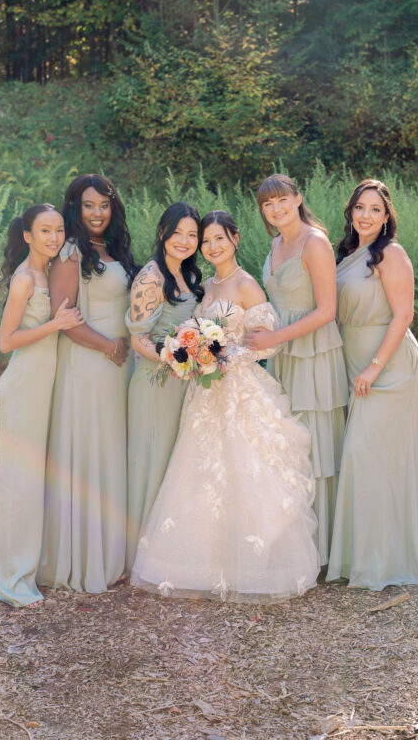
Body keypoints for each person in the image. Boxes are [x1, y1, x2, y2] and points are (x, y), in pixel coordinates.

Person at [131, 210, 318, 603]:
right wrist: (195, 355)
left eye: (219, 239)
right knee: (200, 473)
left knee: (245, 471)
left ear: (235, 238)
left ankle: (253, 567)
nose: (212, 247)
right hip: (203, 391)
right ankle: (198, 566)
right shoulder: (207, 286)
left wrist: (224, 358)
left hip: (237, 389)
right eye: (206, 241)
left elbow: (268, 342)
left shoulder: (246, 285)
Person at [327, 179, 418, 590]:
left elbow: (403, 315)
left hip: (388, 363)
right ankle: (358, 556)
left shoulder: (391, 254)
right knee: (363, 458)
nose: (366, 215)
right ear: (351, 211)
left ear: (386, 217)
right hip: (352, 359)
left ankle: (380, 561)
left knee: (367, 454)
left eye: (375, 209)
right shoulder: (345, 253)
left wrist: (374, 367)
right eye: (360, 207)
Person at [39, 175, 137, 593]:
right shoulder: (70, 253)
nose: (97, 213)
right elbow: (65, 318)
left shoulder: (114, 250)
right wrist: (109, 348)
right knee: (90, 451)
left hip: (119, 366)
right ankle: (83, 558)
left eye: (104, 205)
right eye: (88, 205)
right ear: (74, 208)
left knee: (112, 452)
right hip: (90, 363)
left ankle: (113, 552)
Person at [0, 204, 84, 607]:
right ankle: (12, 580)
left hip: (45, 385)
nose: (54, 237)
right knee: (18, 481)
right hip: (24, 386)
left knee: (30, 478)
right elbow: (5, 342)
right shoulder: (25, 279)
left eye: (58, 230)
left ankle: (8, 564)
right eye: (45, 231)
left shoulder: (50, 271)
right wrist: (56, 325)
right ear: (27, 235)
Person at [246, 174, 348, 570]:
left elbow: (327, 311)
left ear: (298, 199)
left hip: (312, 351)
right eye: (268, 205)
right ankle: (296, 545)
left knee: (315, 442)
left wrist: (276, 337)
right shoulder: (275, 243)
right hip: (283, 355)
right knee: (287, 441)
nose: (276, 209)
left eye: (282, 200)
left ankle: (324, 549)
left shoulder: (315, 242)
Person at [124, 202, 203, 569]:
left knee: (174, 462)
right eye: (178, 233)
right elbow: (138, 340)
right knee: (152, 460)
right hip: (155, 383)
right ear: (162, 234)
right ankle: (139, 556)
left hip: (181, 382)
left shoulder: (188, 275)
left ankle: (167, 554)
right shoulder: (151, 277)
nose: (185, 241)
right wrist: (178, 360)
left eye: (192, 235)